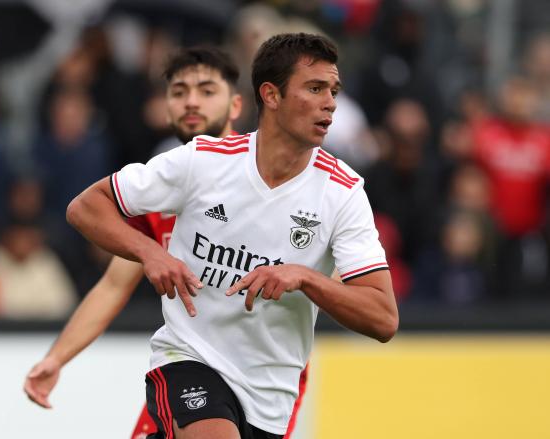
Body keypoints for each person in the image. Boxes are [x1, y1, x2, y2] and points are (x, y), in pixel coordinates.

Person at [64, 33, 398, 439]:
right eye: (314, 88)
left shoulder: (343, 193)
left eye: (334, 90)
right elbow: (86, 206)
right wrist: (151, 253)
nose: (330, 102)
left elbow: (383, 317)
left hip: (269, 398)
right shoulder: (203, 161)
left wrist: (307, 277)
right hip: (189, 358)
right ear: (271, 95)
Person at [24, 46, 302, 438]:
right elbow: (113, 285)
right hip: (194, 369)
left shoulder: (272, 176)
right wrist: (56, 359)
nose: (191, 101)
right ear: (166, 108)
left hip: (264, 379)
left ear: (236, 104)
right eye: (178, 92)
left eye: (206, 91)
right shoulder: (164, 185)